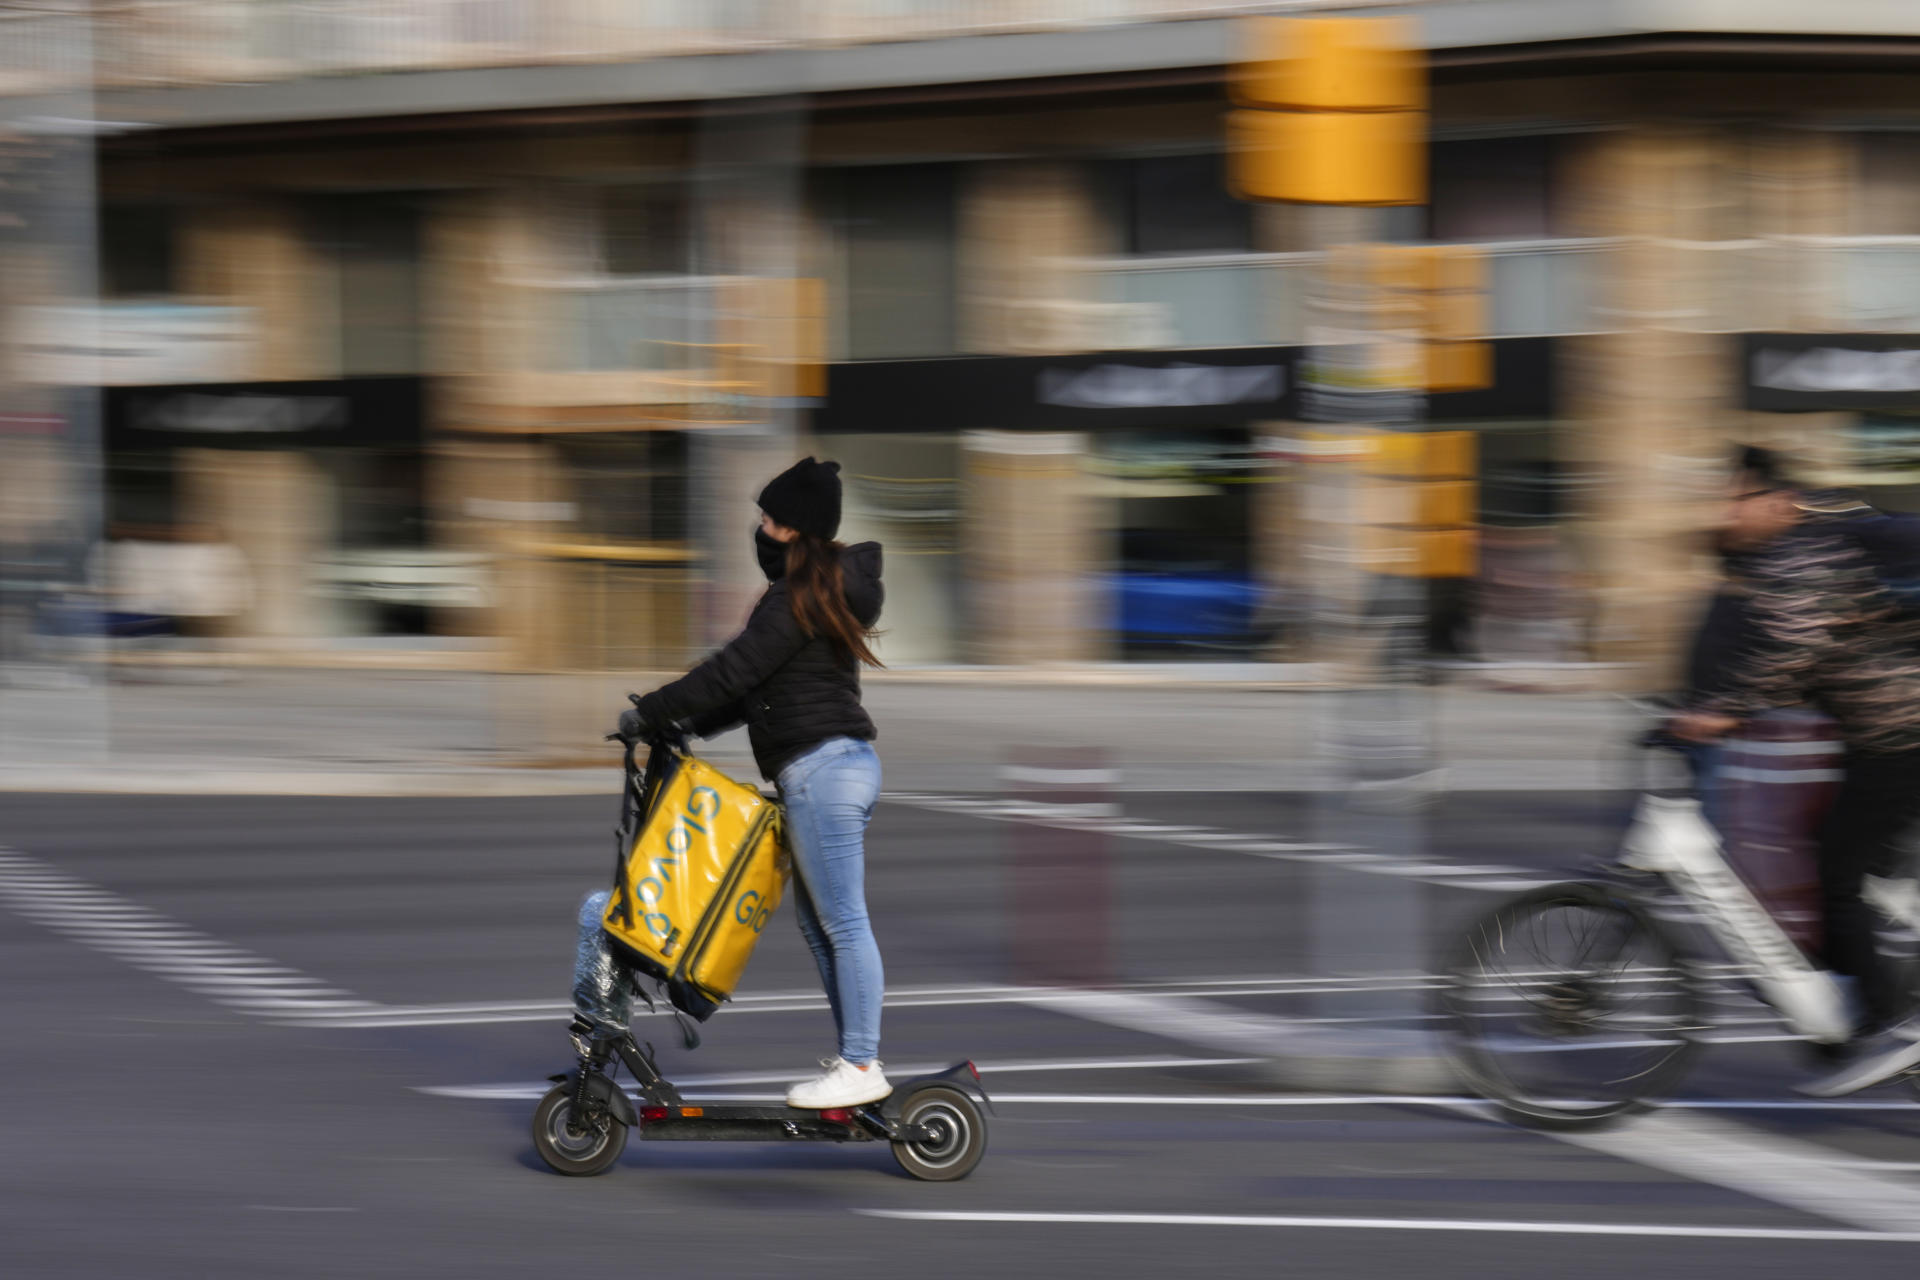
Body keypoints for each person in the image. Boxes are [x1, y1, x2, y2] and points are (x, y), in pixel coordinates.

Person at [572, 457, 891, 1110]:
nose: (761, 529)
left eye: (771, 521)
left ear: (797, 532)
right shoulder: (812, 594)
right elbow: (752, 694)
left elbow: (733, 671)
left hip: (822, 773)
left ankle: (861, 1063)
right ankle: (857, 1058)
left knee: (842, 922)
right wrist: (678, 727)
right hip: (830, 767)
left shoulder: (795, 598)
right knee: (822, 925)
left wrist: (654, 709)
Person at [1671, 446, 1920, 1095]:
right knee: (1843, 863)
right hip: (1885, 730)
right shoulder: (1806, 552)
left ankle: (1882, 1024)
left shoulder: (1802, 554)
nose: (1728, 512)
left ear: (1778, 501)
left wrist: (1721, 712)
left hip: (1904, 730)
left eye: (1739, 498)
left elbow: (1795, 645)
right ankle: (1856, 1007)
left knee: (1839, 873)